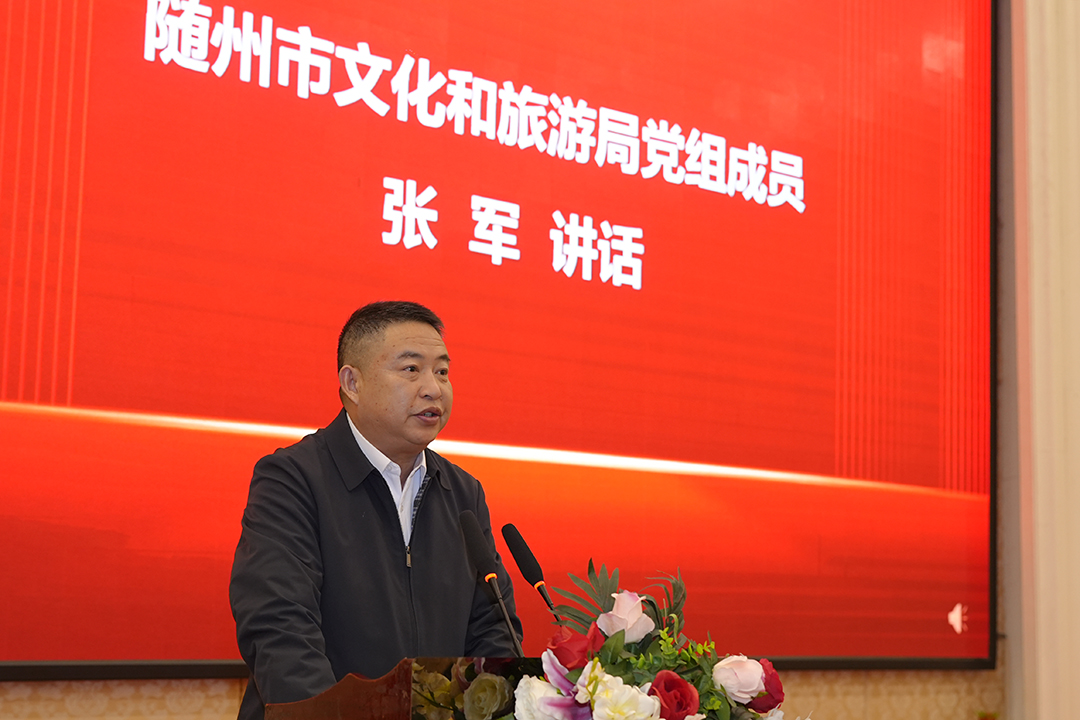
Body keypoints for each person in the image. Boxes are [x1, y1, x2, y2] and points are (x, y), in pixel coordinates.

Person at [230, 301, 521, 720]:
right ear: (352, 383)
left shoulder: (462, 492)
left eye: (442, 372)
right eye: (411, 369)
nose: (433, 388)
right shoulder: (292, 479)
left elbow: (493, 629)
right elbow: (280, 628)